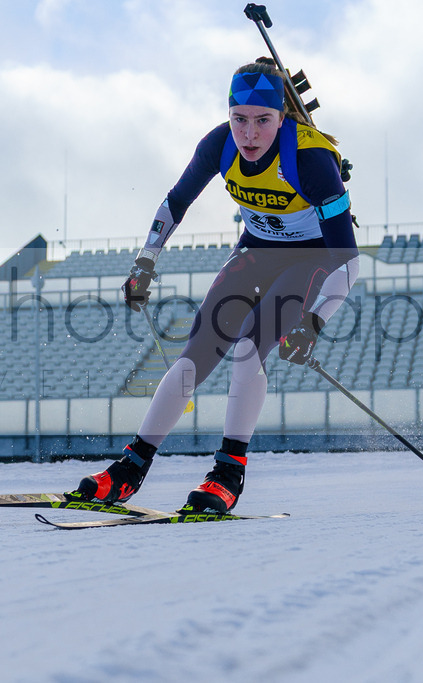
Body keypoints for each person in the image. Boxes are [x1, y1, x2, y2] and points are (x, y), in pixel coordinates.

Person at [72, 58, 359, 513]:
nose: (249, 134)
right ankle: (131, 468)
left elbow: (348, 260)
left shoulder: (311, 159)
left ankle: (228, 474)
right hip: (257, 251)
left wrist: (313, 323)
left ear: (281, 116)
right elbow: (175, 202)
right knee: (195, 354)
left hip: (311, 258)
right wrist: (145, 261)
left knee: (248, 348)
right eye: (239, 119)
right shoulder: (219, 145)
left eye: (262, 120)